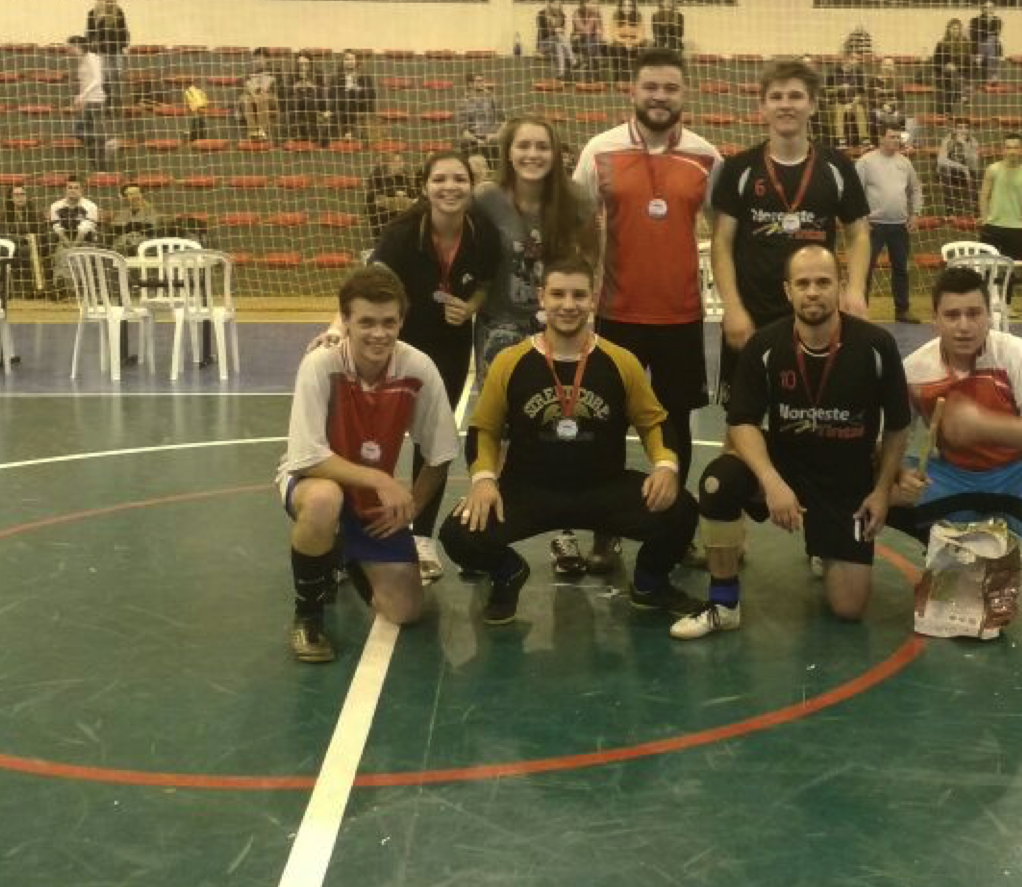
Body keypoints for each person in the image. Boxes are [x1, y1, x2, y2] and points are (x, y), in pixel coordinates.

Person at [441, 256, 703, 626]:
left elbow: (654, 422)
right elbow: (485, 429)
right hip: (529, 490)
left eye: (578, 295)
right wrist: (484, 480)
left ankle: (649, 586)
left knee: (682, 510)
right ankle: (508, 574)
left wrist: (665, 466)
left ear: (593, 299)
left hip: (603, 487)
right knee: (457, 534)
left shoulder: (620, 360)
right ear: (541, 297)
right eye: (558, 294)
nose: (568, 304)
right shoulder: (511, 361)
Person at [673, 244, 909, 639]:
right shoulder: (765, 345)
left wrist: (882, 490)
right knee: (717, 482)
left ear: (841, 286)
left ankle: (823, 545)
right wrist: (771, 481)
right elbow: (742, 421)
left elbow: (898, 426)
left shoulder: (876, 345)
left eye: (823, 282)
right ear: (787, 290)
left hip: (844, 480)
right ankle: (723, 603)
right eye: (803, 283)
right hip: (785, 468)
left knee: (849, 609)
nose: (812, 292)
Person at [887, 265, 1022, 642]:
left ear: (989, 316)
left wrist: (984, 425)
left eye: (974, 313)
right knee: (875, 488)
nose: (964, 326)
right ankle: (939, 549)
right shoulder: (915, 370)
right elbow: (893, 437)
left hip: (1014, 473)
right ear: (935, 319)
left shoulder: (1015, 354)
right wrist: (898, 475)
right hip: (952, 476)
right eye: (952, 315)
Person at [317, 152, 500, 583]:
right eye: (440, 179)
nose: (450, 187)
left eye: (459, 179)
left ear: (472, 185)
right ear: (425, 187)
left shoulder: (483, 232)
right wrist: (335, 329)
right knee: (360, 438)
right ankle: (344, 536)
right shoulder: (401, 234)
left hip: (449, 348)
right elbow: (364, 288)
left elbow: (487, 283)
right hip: (393, 343)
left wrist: (470, 307)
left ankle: (420, 537)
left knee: (432, 440)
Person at [277, 265, 458, 662]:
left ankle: (342, 552)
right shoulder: (321, 364)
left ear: (402, 321)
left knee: (405, 610)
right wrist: (382, 479)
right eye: (367, 322)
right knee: (324, 501)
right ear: (345, 320)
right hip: (312, 481)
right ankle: (308, 616)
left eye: (389, 322)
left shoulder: (418, 368)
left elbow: (441, 452)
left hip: (368, 499)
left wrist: (413, 506)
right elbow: (306, 457)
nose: (379, 333)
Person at [573, 48, 722, 498]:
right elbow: (576, 228)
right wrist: (579, 297)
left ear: (684, 93)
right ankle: (606, 522)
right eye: (651, 87)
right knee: (607, 420)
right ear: (632, 91)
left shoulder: (706, 156)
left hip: (682, 315)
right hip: (616, 312)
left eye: (670, 88)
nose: (660, 96)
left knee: (676, 420)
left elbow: (724, 232)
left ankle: (674, 517)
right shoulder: (599, 150)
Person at [476, 116, 599, 573]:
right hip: (500, 325)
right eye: (524, 146)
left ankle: (564, 532)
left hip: (557, 325)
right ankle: (486, 528)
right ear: (508, 152)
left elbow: (591, 256)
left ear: (556, 153)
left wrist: (582, 309)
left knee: (559, 420)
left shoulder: (576, 200)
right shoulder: (486, 199)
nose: (533, 154)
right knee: (498, 426)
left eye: (542, 146)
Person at [710, 58, 871, 405]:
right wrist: (732, 308)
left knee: (812, 412)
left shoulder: (838, 167)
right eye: (776, 96)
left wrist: (855, 290)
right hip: (751, 317)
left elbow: (858, 234)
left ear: (812, 104)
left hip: (816, 316)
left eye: (796, 96)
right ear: (763, 106)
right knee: (742, 418)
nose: (786, 104)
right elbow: (721, 243)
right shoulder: (739, 168)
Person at [855, 124, 923, 322]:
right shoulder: (865, 162)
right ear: (881, 139)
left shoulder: (905, 163)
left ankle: (902, 310)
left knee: (901, 269)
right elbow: (855, 192)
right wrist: (861, 219)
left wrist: (915, 213)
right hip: (873, 226)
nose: (896, 140)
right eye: (892, 137)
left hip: (899, 226)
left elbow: (916, 189)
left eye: (898, 137)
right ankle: (860, 312)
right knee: (865, 270)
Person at [978, 133, 1022, 264]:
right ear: (1003, 150)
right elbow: (984, 196)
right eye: (1008, 147)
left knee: (1011, 272)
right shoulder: (992, 169)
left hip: (1016, 230)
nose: (1012, 151)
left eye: (1016, 148)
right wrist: (985, 221)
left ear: (1021, 150)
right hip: (992, 226)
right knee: (986, 269)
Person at [66, 35, 110, 171]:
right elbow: (83, 83)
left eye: (70, 47)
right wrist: (81, 99)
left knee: (79, 131)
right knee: (85, 136)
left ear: (78, 46)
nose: (69, 50)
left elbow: (98, 79)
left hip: (96, 100)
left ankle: (106, 142)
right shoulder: (82, 60)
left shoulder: (92, 58)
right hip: (88, 101)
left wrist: (82, 95)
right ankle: (99, 169)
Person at [824, 43, 875, 151]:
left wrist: (853, 104)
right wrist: (839, 88)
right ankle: (841, 140)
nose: (856, 61)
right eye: (853, 59)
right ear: (846, 58)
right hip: (837, 103)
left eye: (857, 59)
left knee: (860, 109)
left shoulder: (859, 72)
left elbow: (861, 93)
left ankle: (864, 140)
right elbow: (827, 92)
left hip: (853, 103)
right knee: (839, 110)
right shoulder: (833, 72)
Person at [84, 0, 129, 110]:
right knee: (105, 76)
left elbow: (123, 30)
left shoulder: (118, 12)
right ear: (100, 0)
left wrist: (124, 45)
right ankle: (108, 100)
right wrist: (101, 20)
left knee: (117, 74)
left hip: (116, 49)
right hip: (101, 50)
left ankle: (116, 99)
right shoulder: (92, 14)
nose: (108, 2)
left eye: (110, 0)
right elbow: (90, 33)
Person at [280, 54, 331, 146]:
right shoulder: (292, 74)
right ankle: (294, 136)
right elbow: (286, 92)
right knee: (293, 101)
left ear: (310, 65)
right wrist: (295, 87)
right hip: (297, 101)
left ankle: (313, 138)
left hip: (313, 100)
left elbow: (322, 92)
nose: (303, 67)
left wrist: (312, 86)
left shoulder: (317, 73)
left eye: (306, 64)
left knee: (310, 101)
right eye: (300, 64)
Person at [936, 116, 982, 214]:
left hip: (966, 174)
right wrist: (962, 167)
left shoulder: (973, 141)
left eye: (966, 127)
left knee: (974, 174)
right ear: (955, 129)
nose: (963, 130)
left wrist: (965, 146)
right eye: (960, 127)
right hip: (951, 172)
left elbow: (975, 165)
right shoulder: (948, 139)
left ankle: (975, 208)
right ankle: (949, 209)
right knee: (944, 169)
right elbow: (941, 160)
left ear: (969, 129)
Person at [365, 153, 416, 242]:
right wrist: (394, 193)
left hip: (400, 214)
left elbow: (412, 194)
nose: (401, 165)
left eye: (401, 162)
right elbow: (374, 196)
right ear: (388, 164)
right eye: (397, 162)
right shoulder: (376, 176)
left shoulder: (403, 176)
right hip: (380, 215)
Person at [329, 51, 376, 142]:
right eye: (347, 59)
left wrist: (358, 89)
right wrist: (345, 90)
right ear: (343, 62)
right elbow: (331, 94)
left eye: (352, 59)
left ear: (356, 61)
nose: (349, 61)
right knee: (346, 98)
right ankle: (347, 133)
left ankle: (348, 132)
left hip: (360, 105)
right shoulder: (336, 77)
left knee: (351, 95)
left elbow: (372, 95)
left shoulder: (364, 76)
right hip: (341, 106)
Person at [931, 19, 974, 115]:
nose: (955, 31)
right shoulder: (941, 44)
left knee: (955, 78)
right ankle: (962, 96)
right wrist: (945, 65)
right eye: (953, 28)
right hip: (944, 71)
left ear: (960, 30)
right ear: (948, 29)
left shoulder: (966, 43)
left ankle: (949, 110)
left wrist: (958, 67)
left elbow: (969, 63)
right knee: (951, 74)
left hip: (960, 72)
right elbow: (936, 62)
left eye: (957, 28)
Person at [456, 72, 502, 158]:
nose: (482, 84)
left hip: (492, 137)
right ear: (470, 84)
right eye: (478, 81)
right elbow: (464, 131)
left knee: (496, 142)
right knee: (465, 142)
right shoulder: (464, 103)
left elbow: (502, 122)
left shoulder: (493, 99)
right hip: (473, 139)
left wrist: (495, 135)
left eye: (482, 81)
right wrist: (476, 140)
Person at [48, 176, 99, 247]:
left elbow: (83, 231)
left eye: (76, 188)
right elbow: (58, 230)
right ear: (65, 190)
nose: (73, 190)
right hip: (64, 242)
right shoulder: (55, 206)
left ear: (82, 190)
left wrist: (73, 249)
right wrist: (69, 247)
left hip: (86, 242)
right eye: (70, 188)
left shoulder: (91, 206)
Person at [240, 49, 279, 141]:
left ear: (267, 59)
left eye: (260, 58)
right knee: (246, 99)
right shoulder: (250, 74)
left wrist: (260, 91)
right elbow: (247, 88)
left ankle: (262, 131)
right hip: (252, 97)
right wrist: (253, 93)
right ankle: (253, 132)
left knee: (262, 97)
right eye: (255, 59)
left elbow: (273, 88)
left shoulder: (275, 71)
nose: (257, 61)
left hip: (271, 98)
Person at [609, 0, 647, 79]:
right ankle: (618, 78)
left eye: (629, 5)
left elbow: (641, 35)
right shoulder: (616, 16)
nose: (627, 8)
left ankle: (638, 77)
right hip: (620, 42)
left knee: (641, 50)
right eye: (624, 5)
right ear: (621, 7)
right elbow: (614, 35)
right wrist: (625, 42)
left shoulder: (638, 16)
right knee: (616, 49)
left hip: (635, 42)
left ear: (633, 7)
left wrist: (632, 43)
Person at [535, 0, 575, 78]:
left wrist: (560, 31)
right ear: (550, 4)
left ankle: (561, 73)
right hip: (544, 45)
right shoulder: (541, 14)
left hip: (556, 43)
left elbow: (562, 32)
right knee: (558, 38)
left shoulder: (562, 16)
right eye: (555, 3)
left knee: (558, 45)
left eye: (559, 3)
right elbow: (543, 31)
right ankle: (573, 60)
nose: (557, 5)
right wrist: (555, 30)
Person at [968, 1, 1003, 83]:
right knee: (990, 41)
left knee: (991, 41)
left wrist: (989, 22)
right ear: (982, 9)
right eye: (986, 8)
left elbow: (996, 34)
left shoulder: (997, 20)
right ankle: (992, 76)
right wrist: (987, 23)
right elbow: (975, 35)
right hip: (979, 45)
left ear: (994, 9)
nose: (988, 10)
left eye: (990, 8)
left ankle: (990, 76)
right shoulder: (975, 20)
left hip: (992, 45)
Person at [571, 0, 605, 73]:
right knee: (590, 40)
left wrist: (598, 36)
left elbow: (600, 29)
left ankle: (588, 63)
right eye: (593, 3)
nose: (596, 5)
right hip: (579, 38)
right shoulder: (577, 13)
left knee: (595, 41)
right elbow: (584, 30)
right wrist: (593, 17)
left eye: (597, 3)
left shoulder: (597, 13)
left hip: (592, 40)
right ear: (585, 3)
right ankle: (595, 59)